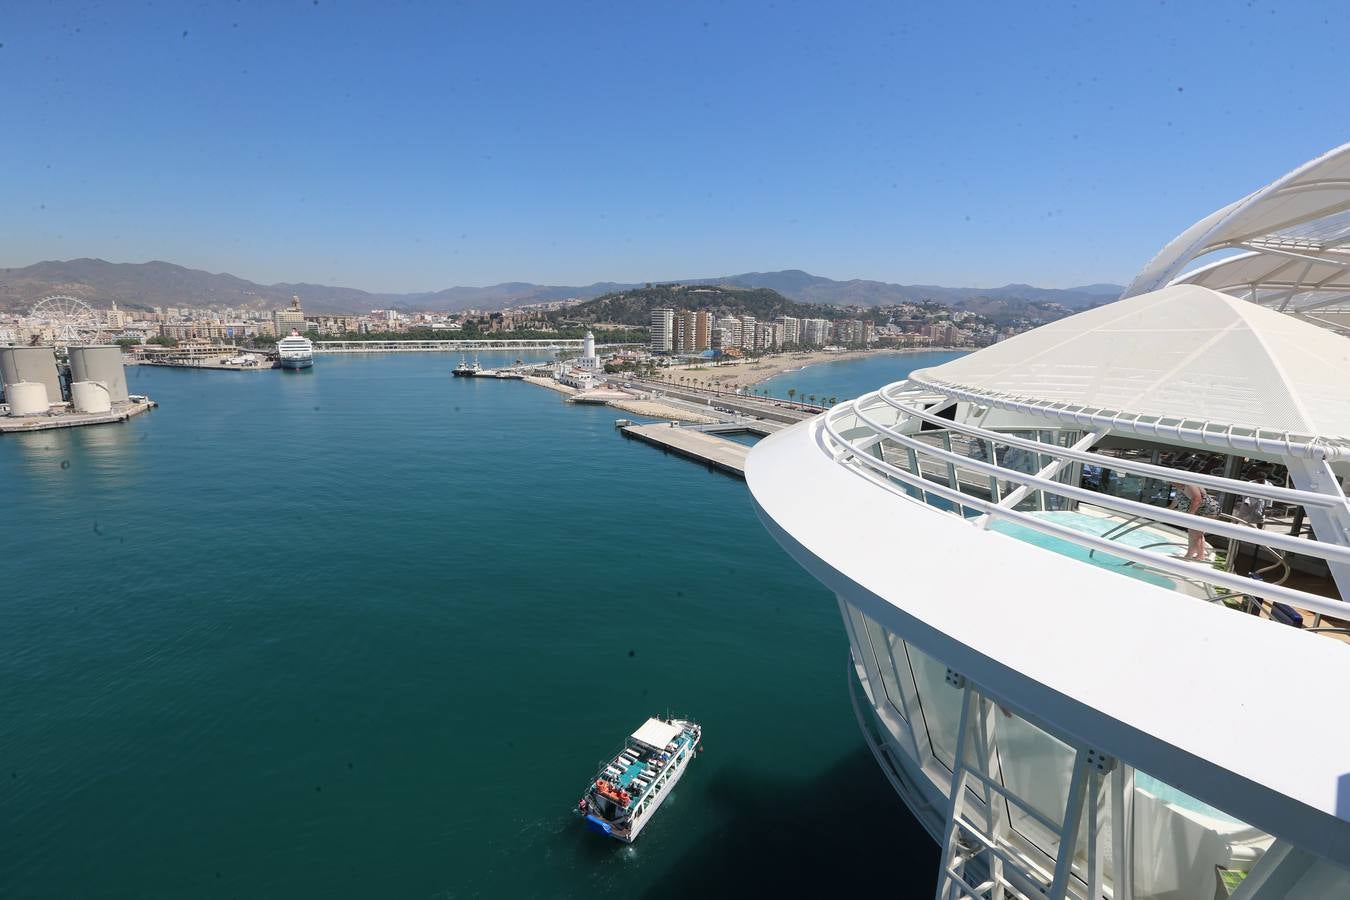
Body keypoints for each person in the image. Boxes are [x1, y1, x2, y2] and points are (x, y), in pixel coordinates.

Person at [1170, 482, 1219, 561]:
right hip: (1201, 510)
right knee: (1196, 533)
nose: (1171, 483)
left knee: (1194, 533)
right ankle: (1199, 555)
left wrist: (1191, 514)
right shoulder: (1180, 488)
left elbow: (1197, 499)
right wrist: (1169, 509)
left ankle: (1191, 555)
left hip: (1208, 510)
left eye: (1171, 481)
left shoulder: (1189, 485)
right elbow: (1176, 500)